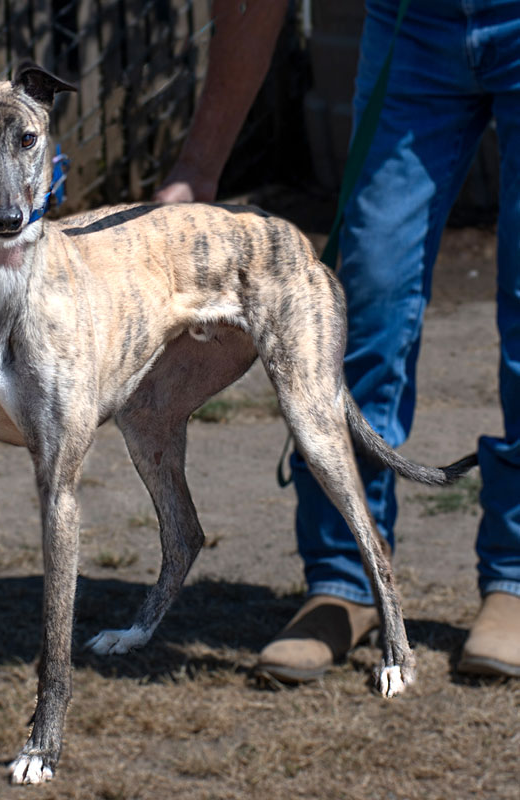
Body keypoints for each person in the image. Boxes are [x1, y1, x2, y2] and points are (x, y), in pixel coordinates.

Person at [156, 0, 520, 680]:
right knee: (367, 292)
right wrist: (198, 167)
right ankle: (344, 579)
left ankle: (516, 575)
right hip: (412, 25)